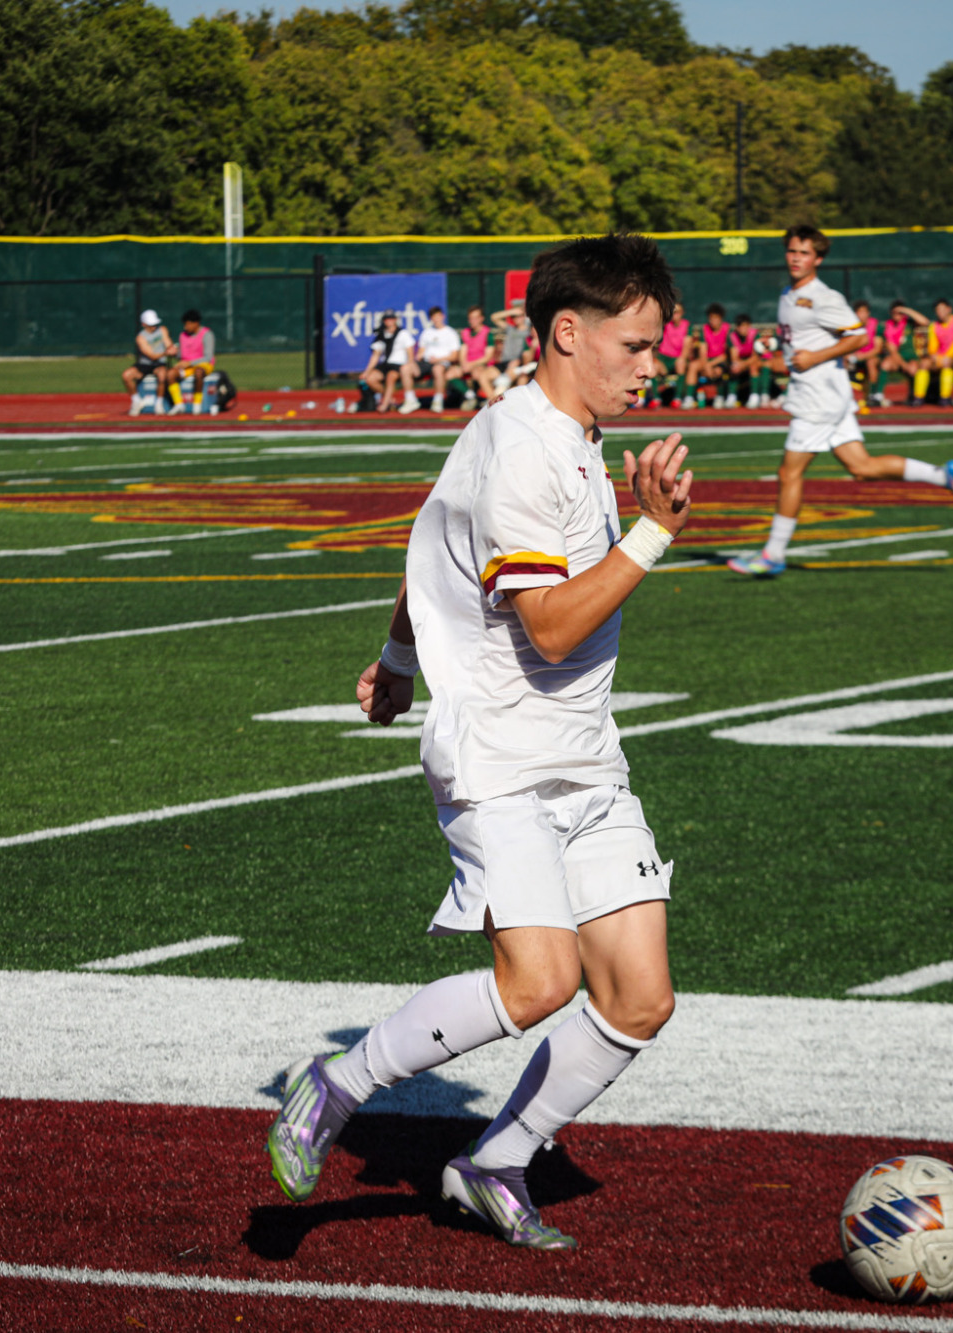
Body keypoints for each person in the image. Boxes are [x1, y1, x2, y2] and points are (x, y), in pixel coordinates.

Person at [265, 233, 692, 1251]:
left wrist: (395, 658)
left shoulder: (557, 434)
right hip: (499, 758)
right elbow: (549, 627)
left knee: (639, 997)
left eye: (653, 346)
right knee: (538, 982)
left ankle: (494, 1160)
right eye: (634, 345)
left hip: (584, 756)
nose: (650, 366)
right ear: (566, 332)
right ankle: (337, 1082)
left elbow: (431, 545)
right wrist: (653, 533)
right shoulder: (521, 449)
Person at [727, 225, 953, 578]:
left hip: (819, 399)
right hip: (825, 394)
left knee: (789, 473)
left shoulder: (823, 296)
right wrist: (775, 352)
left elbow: (858, 337)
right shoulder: (787, 294)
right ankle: (943, 475)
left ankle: (773, 554)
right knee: (863, 467)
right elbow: (801, 344)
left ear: (818, 259)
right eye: (792, 251)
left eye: (804, 253)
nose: (796, 258)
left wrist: (814, 358)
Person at [913, 298, 953, 407]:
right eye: (938, 310)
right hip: (940, 358)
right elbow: (932, 345)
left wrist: (947, 356)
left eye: (943, 309)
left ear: (949, 309)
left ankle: (945, 398)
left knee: (946, 363)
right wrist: (934, 355)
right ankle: (918, 397)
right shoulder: (934, 326)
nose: (940, 312)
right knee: (924, 363)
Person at [122, 309, 175, 414]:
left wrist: (172, 349)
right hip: (144, 364)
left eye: (155, 324)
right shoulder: (140, 337)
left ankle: (159, 404)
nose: (154, 327)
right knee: (126, 375)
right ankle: (136, 401)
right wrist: (166, 353)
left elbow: (168, 343)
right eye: (151, 325)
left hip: (159, 364)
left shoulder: (162, 330)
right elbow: (151, 355)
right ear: (144, 324)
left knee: (162, 375)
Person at [415, 306, 464, 413]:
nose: (436, 319)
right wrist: (419, 357)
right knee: (406, 369)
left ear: (443, 316)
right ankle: (410, 400)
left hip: (443, 363)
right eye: (434, 317)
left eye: (438, 316)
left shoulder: (450, 333)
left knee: (437, 369)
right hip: (426, 363)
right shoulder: (427, 332)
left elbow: (454, 356)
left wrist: (438, 359)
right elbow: (421, 352)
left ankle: (438, 400)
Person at [169, 309, 217, 414]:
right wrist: (174, 353)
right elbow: (182, 355)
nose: (185, 327)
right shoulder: (182, 335)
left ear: (196, 323)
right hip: (187, 367)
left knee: (198, 372)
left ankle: (197, 404)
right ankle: (179, 404)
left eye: (188, 324)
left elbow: (208, 357)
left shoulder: (207, 334)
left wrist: (190, 363)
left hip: (203, 365)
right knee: (171, 374)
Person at [360, 313, 410, 412]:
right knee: (370, 379)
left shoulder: (403, 333)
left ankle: (384, 405)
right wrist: (367, 371)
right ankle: (390, 399)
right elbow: (375, 355)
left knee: (390, 377)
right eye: (387, 319)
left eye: (391, 319)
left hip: (398, 365)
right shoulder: (381, 335)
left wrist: (410, 365)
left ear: (395, 320)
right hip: (385, 364)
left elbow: (410, 350)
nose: (389, 321)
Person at [652, 301, 690, 407]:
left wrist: (682, 358)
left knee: (681, 363)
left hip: (677, 360)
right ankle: (656, 399)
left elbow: (687, 346)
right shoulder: (664, 325)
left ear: (682, 313)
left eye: (677, 312)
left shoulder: (687, 326)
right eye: (673, 312)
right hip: (664, 359)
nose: (675, 315)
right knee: (653, 366)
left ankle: (677, 398)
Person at [461, 305, 500, 403]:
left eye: (475, 318)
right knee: (450, 373)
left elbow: (487, 357)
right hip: (467, 366)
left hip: (483, 366)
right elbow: (462, 352)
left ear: (481, 318)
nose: (472, 321)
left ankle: (491, 401)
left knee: (478, 374)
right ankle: (470, 396)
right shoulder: (465, 332)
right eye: (470, 318)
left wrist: (471, 365)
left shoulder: (488, 333)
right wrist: (464, 364)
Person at [849, 300, 883, 408]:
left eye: (864, 312)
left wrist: (863, 356)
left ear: (868, 313)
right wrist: (851, 355)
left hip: (871, 357)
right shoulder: (850, 326)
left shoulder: (876, 325)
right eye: (859, 312)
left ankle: (872, 396)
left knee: (871, 362)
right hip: (855, 357)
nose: (861, 315)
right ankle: (846, 396)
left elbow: (877, 349)